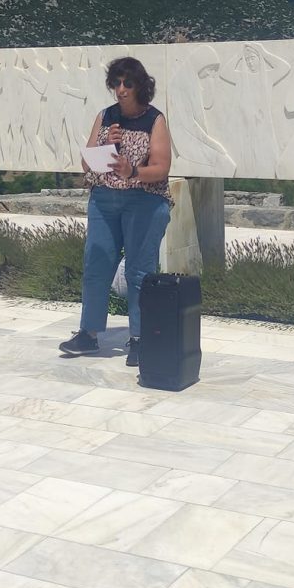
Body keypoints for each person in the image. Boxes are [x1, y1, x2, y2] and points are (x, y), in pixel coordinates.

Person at [61, 56, 172, 367]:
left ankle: (139, 338)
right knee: (96, 265)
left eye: (128, 83)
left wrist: (132, 171)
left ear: (140, 86)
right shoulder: (106, 116)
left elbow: (162, 168)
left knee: (139, 271)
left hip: (143, 200)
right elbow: (87, 164)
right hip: (104, 200)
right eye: (117, 83)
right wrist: (104, 144)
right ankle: (88, 334)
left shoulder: (155, 120)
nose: (121, 89)